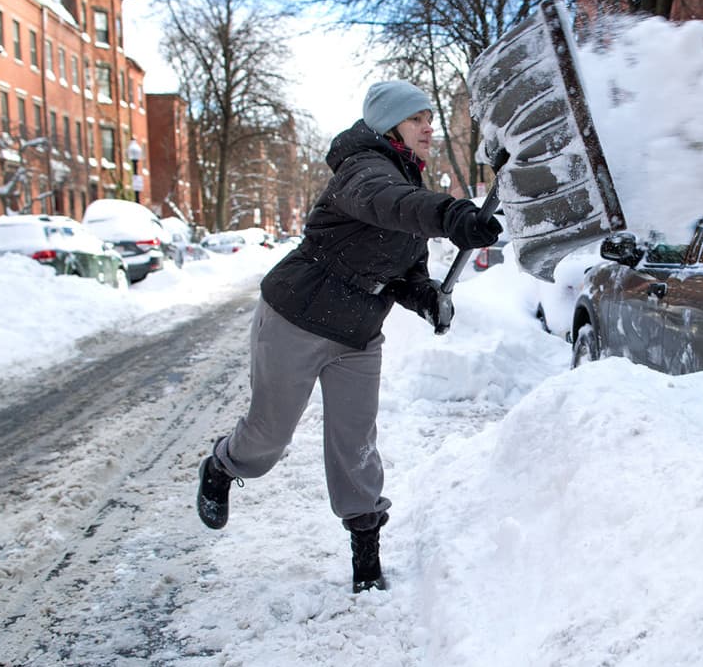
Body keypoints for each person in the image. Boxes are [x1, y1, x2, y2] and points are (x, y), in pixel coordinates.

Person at [195, 80, 501, 593]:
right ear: (390, 128)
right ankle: (222, 466)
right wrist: (450, 215)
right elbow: (392, 204)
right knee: (268, 439)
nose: (429, 127)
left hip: (358, 334)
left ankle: (366, 558)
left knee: (356, 447)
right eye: (416, 119)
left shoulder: (405, 176)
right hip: (297, 319)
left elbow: (407, 268)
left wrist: (425, 297)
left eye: (430, 117)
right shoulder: (363, 173)